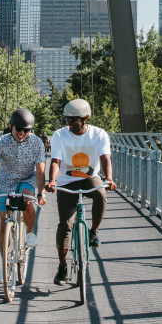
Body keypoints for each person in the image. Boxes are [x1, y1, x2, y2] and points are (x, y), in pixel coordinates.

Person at [45, 98, 115, 285]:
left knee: (100, 193)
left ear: (84, 118)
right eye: (67, 119)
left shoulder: (99, 134)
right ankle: (62, 267)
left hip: (89, 177)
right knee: (65, 225)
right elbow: (56, 161)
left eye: (73, 119)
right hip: (67, 181)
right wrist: (52, 180)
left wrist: (109, 178)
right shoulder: (59, 135)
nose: (68, 123)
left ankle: (93, 232)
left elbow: (105, 158)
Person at [0, 108, 47, 278]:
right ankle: (5, 265)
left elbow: (40, 172)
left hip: (28, 178)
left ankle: (30, 233)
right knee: (4, 223)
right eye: (19, 129)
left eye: (27, 130)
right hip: (6, 182)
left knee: (27, 201)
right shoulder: (1, 142)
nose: (22, 133)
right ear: (10, 126)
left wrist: (41, 193)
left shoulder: (37, 143)